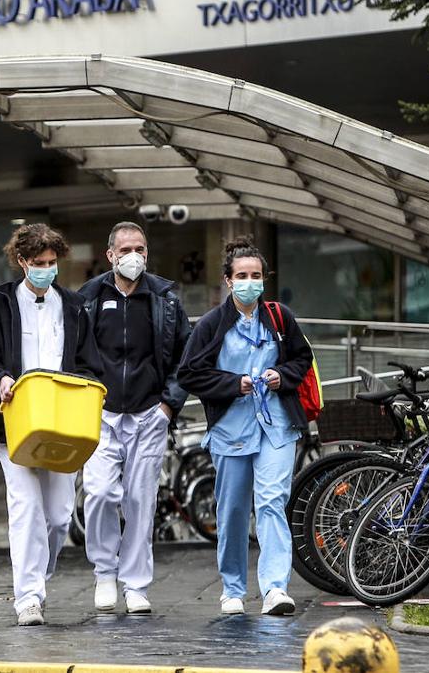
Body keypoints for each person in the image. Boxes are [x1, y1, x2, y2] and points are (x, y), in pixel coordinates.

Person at [0, 223, 104, 626]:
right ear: (23, 262)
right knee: (25, 507)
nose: (48, 269)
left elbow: (89, 363)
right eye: (40, 262)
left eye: (52, 262)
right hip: (15, 421)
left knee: (60, 515)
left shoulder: (74, 305)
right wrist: (0, 381)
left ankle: (39, 574)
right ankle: (28, 595)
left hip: (63, 422)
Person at [176, 236, 312, 616]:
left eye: (256, 274)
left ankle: (274, 589)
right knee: (233, 510)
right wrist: (232, 384)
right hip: (231, 431)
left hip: (276, 426)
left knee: (271, 502)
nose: (250, 281)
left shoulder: (280, 317)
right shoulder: (211, 324)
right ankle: (232, 588)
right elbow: (189, 373)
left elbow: (302, 359)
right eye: (242, 275)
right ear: (228, 280)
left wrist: (280, 375)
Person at [78, 222, 190, 614]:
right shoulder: (89, 298)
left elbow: (185, 358)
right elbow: (74, 356)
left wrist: (168, 405)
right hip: (100, 413)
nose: (133, 256)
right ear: (110, 255)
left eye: (140, 249)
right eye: (125, 249)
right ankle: (105, 571)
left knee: (141, 500)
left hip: (149, 414)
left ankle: (136, 585)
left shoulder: (166, 299)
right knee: (100, 493)